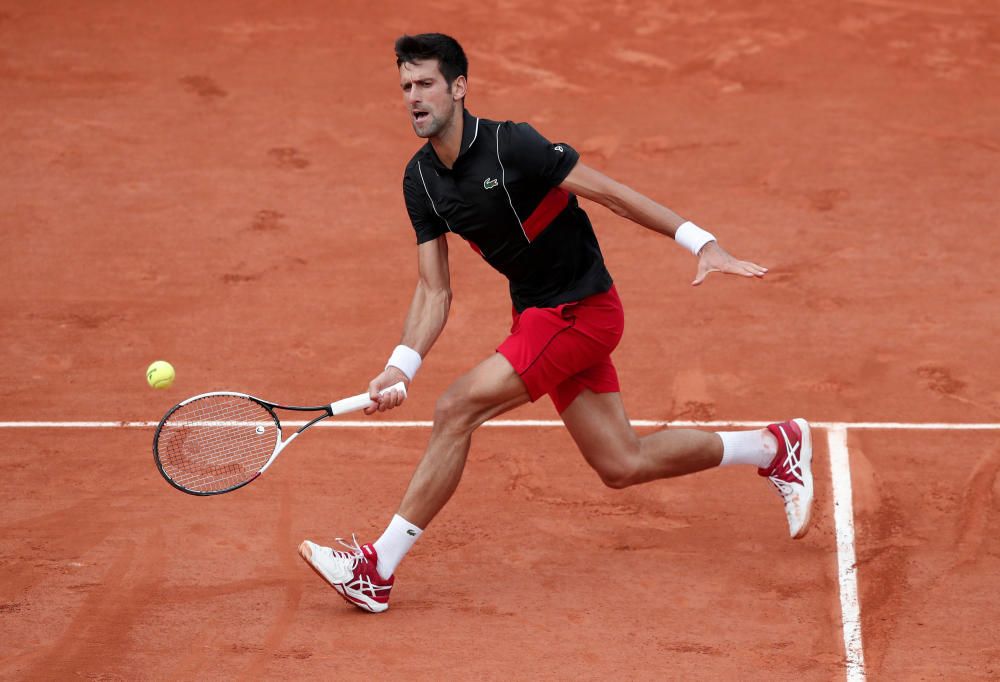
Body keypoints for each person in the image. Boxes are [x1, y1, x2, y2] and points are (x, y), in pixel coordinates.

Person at [299, 33, 813, 613]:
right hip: (538, 314)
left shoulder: (511, 145)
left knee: (456, 408)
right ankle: (773, 447)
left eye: (425, 84)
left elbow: (611, 194)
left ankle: (377, 568)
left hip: (581, 312)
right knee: (622, 463)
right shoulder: (420, 182)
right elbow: (434, 289)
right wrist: (401, 365)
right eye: (405, 88)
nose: (413, 98)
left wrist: (702, 242)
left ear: (459, 87)